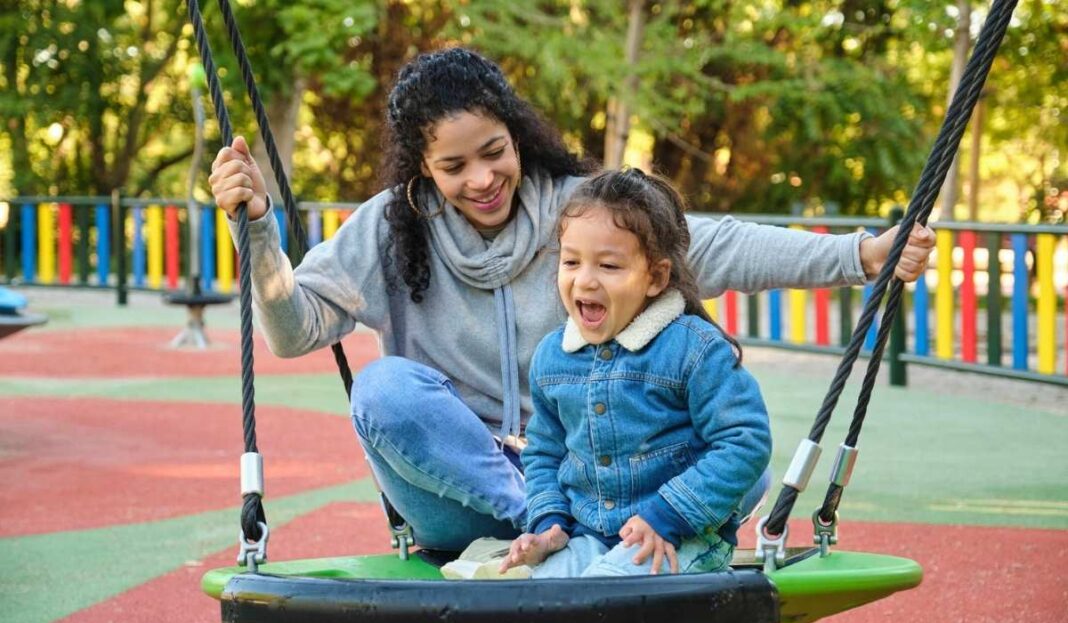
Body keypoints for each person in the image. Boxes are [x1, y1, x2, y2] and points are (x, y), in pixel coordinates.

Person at [208, 47, 935, 553]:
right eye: (454, 166)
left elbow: (710, 245)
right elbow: (292, 327)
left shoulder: (578, 207)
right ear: (422, 170)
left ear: (516, 133)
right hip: (468, 494)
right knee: (382, 388)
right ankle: (547, 523)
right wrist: (261, 233)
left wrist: (859, 255)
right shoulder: (387, 230)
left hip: (604, 477)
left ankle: (577, 524)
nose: (483, 178)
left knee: (725, 454)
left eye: (494, 151)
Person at [498, 169, 770, 578]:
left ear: (656, 277)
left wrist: (667, 515)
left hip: (678, 536)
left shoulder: (692, 350)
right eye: (571, 261)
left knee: (606, 594)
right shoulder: (553, 358)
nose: (585, 280)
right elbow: (544, 452)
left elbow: (744, 441)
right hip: (588, 537)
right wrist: (548, 523)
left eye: (608, 265)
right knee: (530, 593)